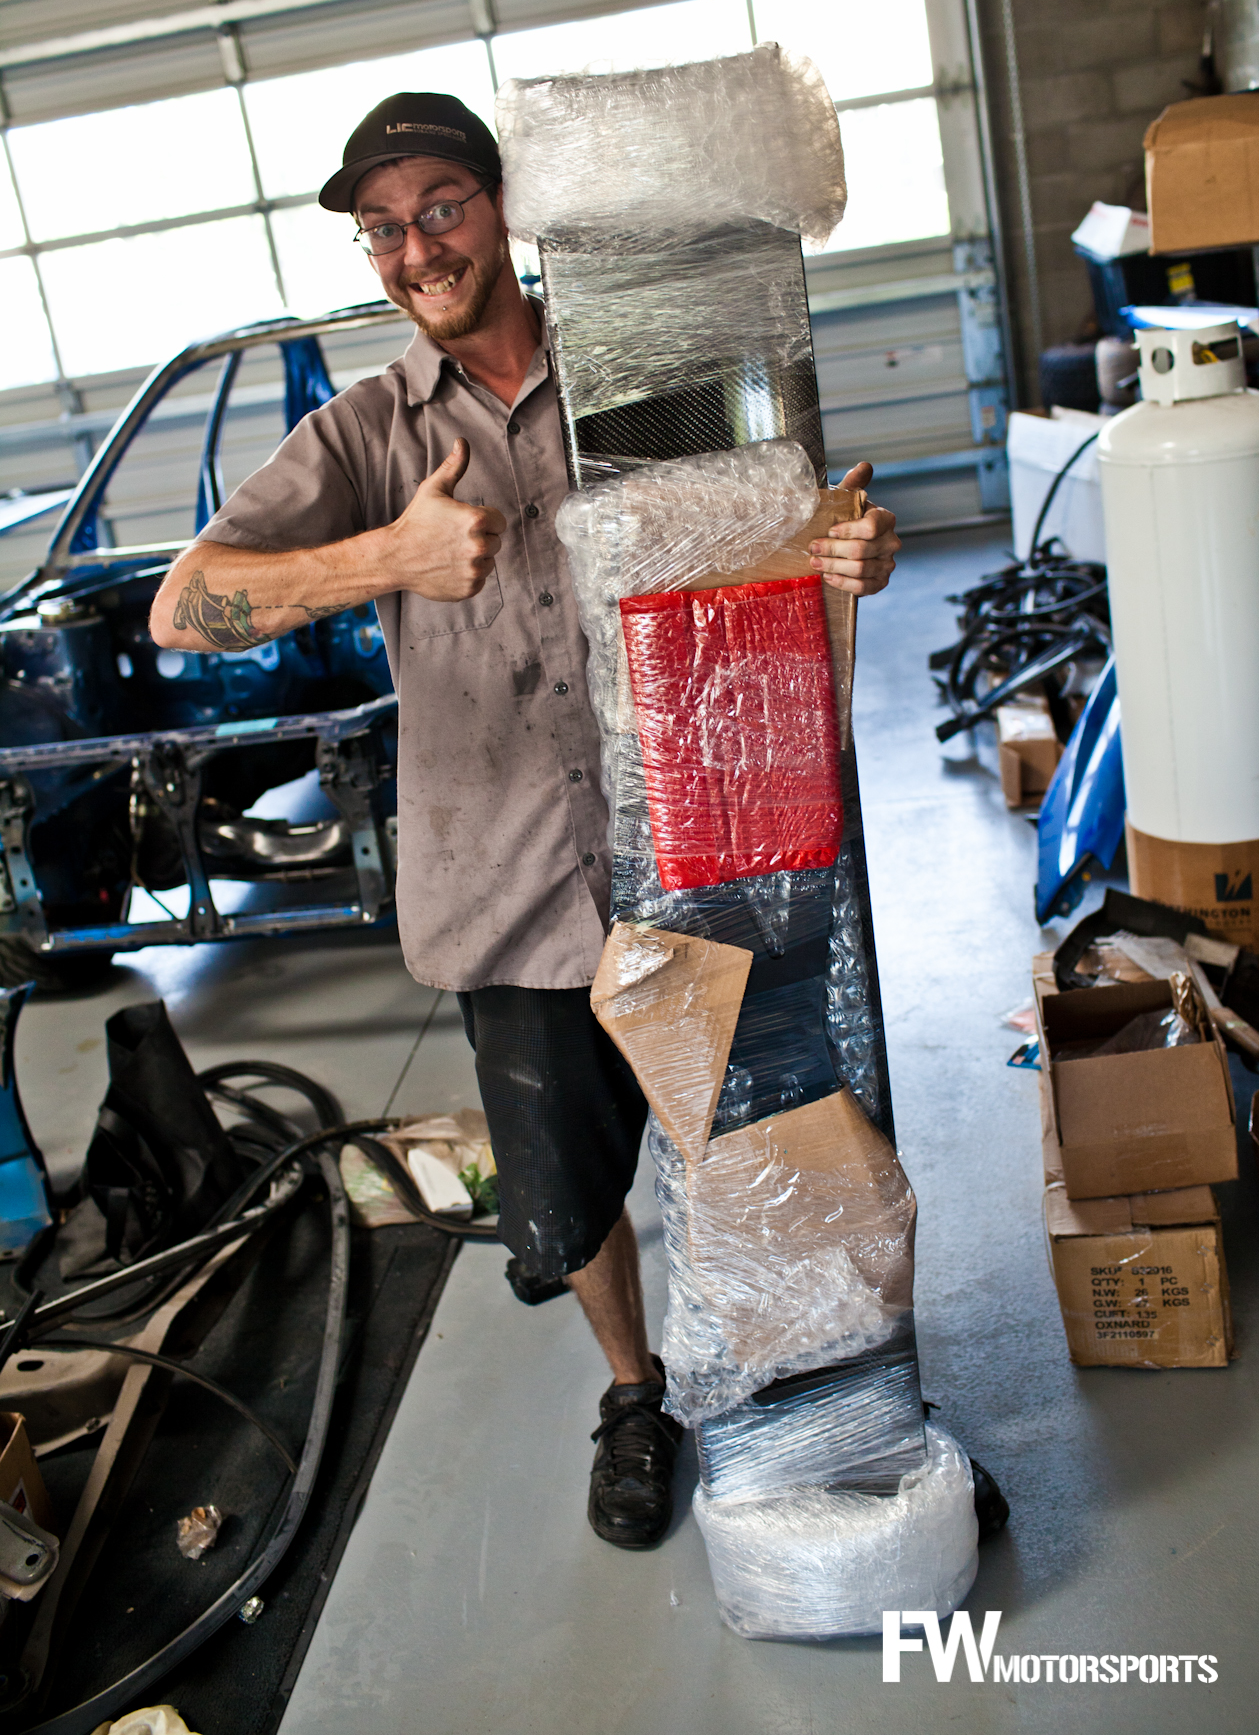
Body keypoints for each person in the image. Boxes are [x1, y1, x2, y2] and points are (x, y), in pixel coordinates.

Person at [151, 90, 902, 1551]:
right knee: (566, 1191)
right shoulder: (364, 435)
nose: (415, 249)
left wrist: (839, 557)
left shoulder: (639, 369)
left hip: (699, 849)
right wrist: (387, 554)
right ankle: (636, 1393)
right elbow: (187, 609)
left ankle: (813, 1394)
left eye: (440, 207)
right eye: (383, 230)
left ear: (505, 208)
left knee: (759, 1129)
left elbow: (765, 532)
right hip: (509, 887)